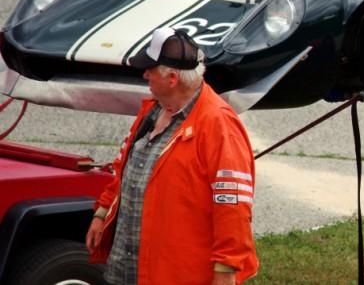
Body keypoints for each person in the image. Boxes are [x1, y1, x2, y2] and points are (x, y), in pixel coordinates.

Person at [85, 27, 259, 285]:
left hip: (174, 273)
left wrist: (226, 269)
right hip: (127, 266)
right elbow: (126, 166)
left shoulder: (218, 125)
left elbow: (232, 205)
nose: (144, 74)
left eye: (150, 69)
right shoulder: (153, 110)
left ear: (172, 78)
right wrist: (102, 212)